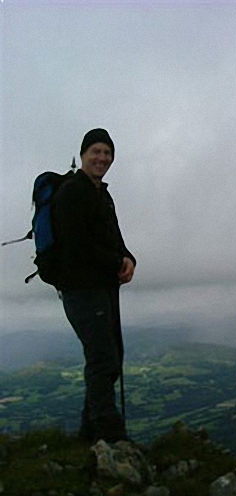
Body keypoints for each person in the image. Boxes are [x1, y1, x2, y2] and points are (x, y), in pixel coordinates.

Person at [52, 128, 136, 443]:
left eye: (107, 153)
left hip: (101, 287)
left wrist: (128, 258)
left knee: (109, 356)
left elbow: (113, 238)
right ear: (84, 154)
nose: (102, 158)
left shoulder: (101, 193)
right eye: (96, 152)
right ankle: (111, 435)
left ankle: (89, 435)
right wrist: (116, 263)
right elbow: (78, 245)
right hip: (81, 289)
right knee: (104, 358)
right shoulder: (73, 192)